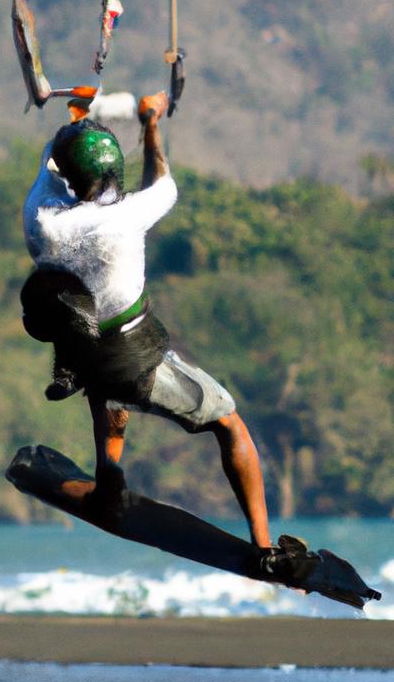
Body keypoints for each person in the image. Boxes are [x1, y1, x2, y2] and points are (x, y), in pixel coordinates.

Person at [20, 90, 272, 549]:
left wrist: (77, 113)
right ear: (111, 172)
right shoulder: (126, 217)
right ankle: (264, 544)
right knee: (230, 423)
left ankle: (108, 478)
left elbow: (51, 160)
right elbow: (162, 178)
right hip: (132, 358)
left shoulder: (40, 216)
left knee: (104, 383)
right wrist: (150, 123)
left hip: (79, 353)